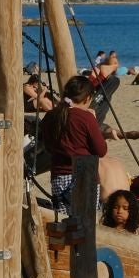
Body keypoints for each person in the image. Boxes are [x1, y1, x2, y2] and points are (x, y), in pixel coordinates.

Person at [40, 75, 107, 209]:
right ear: (87, 98)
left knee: (64, 223)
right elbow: (101, 150)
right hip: (85, 174)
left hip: (59, 175)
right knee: (85, 225)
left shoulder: (51, 116)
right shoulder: (86, 117)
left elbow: (47, 146)